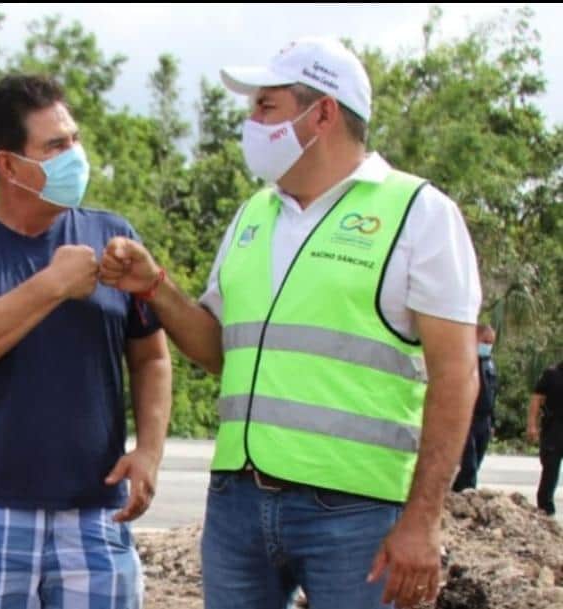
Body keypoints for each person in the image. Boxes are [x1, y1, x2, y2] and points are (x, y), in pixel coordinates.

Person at [98, 37, 481, 609]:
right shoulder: (255, 213)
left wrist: (423, 520)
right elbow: (220, 351)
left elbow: (456, 374)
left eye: (265, 106)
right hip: (237, 504)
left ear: (322, 112)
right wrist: (157, 287)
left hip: (356, 514)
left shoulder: (419, 214)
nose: (252, 121)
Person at [0, 74, 173, 608]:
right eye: (55, 146)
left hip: (97, 513)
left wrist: (148, 452)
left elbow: (150, 357)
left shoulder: (112, 236)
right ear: (9, 165)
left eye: (74, 139)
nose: (75, 156)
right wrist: (51, 285)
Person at [452, 324, 498, 491]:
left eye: (490, 342)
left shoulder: (489, 364)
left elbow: (493, 393)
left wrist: (493, 422)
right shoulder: (464, 361)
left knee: (477, 459)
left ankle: (460, 490)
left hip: (484, 420)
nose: (487, 346)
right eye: (484, 341)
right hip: (467, 417)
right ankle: (465, 493)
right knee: (468, 462)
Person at [528, 361, 563, 515]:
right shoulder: (552, 374)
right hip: (554, 429)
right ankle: (545, 513)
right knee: (550, 472)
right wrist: (532, 425)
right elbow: (536, 399)